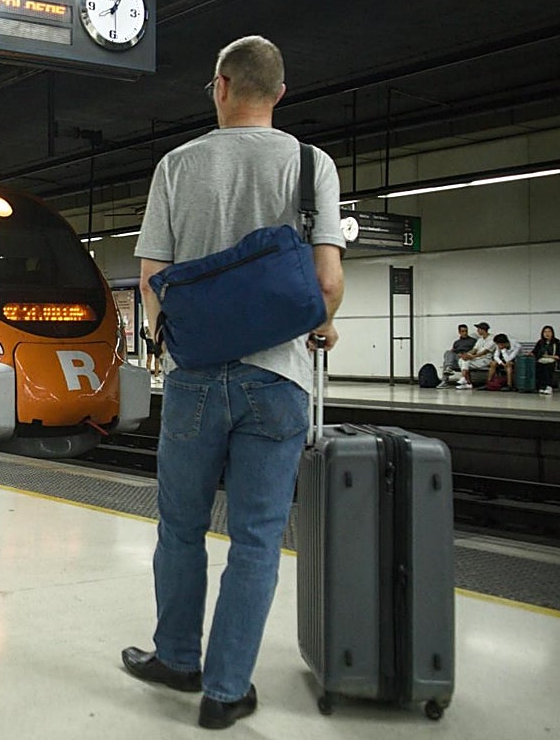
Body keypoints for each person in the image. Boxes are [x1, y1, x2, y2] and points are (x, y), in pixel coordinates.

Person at [123, 36, 346, 730]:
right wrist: (320, 323)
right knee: (255, 540)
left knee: (182, 528)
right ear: (279, 93)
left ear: (220, 87)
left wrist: (174, 342)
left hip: (193, 379)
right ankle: (224, 692)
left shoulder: (176, 165)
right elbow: (328, 283)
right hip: (279, 378)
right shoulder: (313, 165)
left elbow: (151, 280)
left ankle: (177, 659)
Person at [447, 322, 496, 389]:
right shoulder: (480, 340)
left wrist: (472, 357)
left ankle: (465, 380)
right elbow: (474, 350)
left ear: (483, 330)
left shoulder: (492, 339)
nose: (477, 331)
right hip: (477, 359)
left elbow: (484, 352)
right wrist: (466, 355)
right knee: (462, 360)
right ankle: (467, 382)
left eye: (478, 329)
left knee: (465, 361)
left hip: (485, 360)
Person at [533, 325, 560, 395]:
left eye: (549, 332)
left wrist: (549, 356)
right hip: (541, 360)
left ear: (552, 333)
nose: (547, 334)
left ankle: (549, 386)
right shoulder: (540, 342)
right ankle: (541, 386)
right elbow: (535, 352)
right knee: (538, 365)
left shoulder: (557, 342)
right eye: (545, 332)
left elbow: (559, 356)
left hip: (553, 360)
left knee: (548, 366)